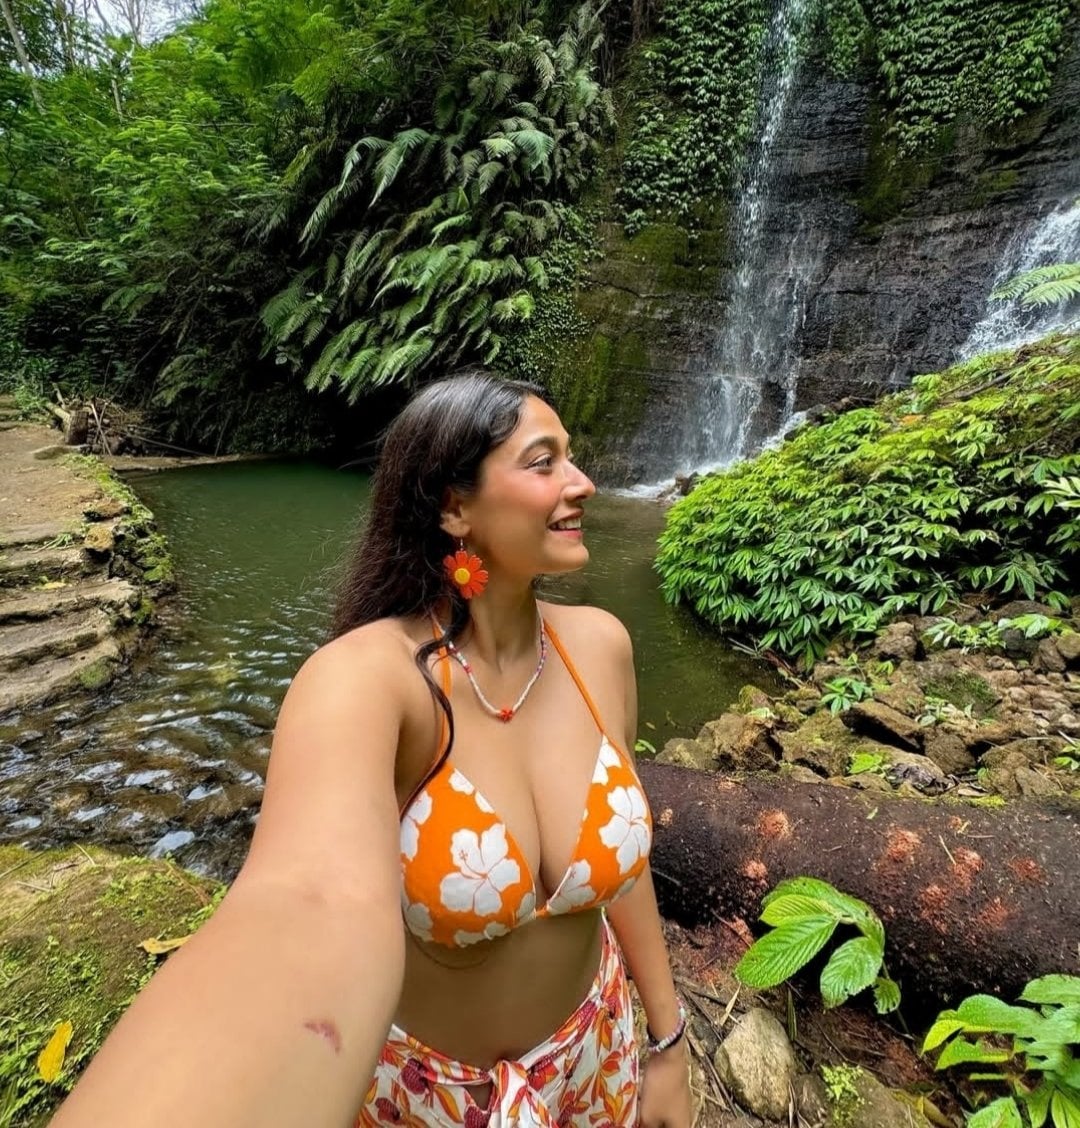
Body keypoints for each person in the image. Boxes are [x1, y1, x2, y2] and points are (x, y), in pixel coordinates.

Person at [51, 373, 694, 1128]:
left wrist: (668, 1041)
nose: (582, 483)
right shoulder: (366, 682)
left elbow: (625, 870)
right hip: (433, 1100)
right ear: (453, 508)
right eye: (543, 461)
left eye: (572, 458)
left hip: (597, 1056)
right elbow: (305, 904)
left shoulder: (600, 648)